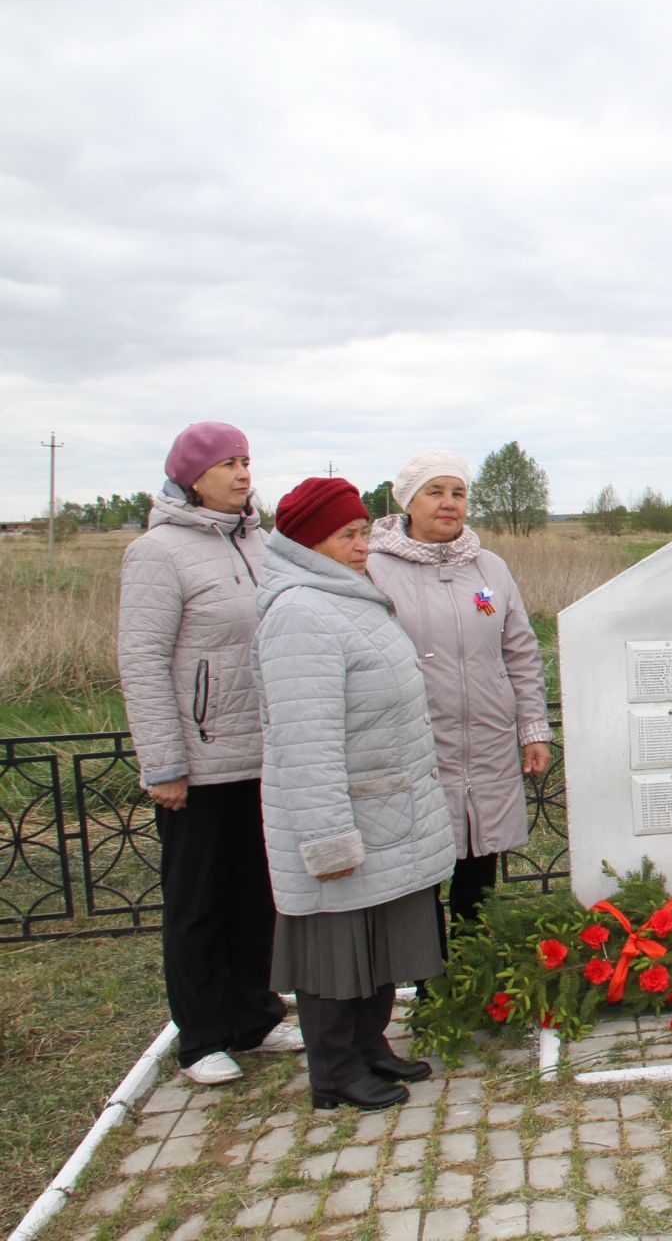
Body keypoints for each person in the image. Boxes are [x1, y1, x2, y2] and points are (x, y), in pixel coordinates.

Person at [255, 478, 456, 1112]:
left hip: (385, 803)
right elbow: (304, 741)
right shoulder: (299, 614)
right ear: (309, 542)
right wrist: (326, 837)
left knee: (378, 939)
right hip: (342, 811)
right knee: (335, 949)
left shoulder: (348, 598)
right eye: (348, 534)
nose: (363, 544)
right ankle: (333, 1072)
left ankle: (369, 1045)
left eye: (365, 531)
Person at [117, 422, 303, 1085]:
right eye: (227, 463)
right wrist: (163, 762)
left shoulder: (262, 543)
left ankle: (254, 1015)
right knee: (198, 901)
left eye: (247, 460)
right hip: (199, 760)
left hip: (266, 752)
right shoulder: (157, 553)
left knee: (259, 894)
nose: (242, 474)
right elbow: (140, 661)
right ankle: (201, 1035)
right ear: (192, 475)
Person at [366, 451, 551, 938]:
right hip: (416, 742)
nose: (449, 503)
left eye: (458, 492)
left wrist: (532, 729)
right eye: (435, 491)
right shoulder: (374, 569)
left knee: (479, 864)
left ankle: (476, 973)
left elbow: (520, 652)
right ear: (406, 499)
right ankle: (430, 984)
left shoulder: (489, 569)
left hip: (487, 741)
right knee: (421, 864)